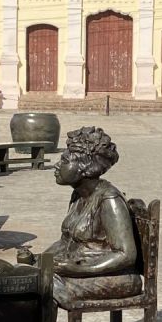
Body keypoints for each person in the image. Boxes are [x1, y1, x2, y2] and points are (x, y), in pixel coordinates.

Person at [47, 126, 140, 308]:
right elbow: (65, 241)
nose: (57, 165)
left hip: (114, 277)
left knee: (46, 285)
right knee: (30, 276)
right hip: (78, 271)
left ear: (85, 167)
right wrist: (41, 259)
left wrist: (79, 270)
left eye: (65, 161)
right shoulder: (78, 196)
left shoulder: (108, 199)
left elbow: (126, 255)